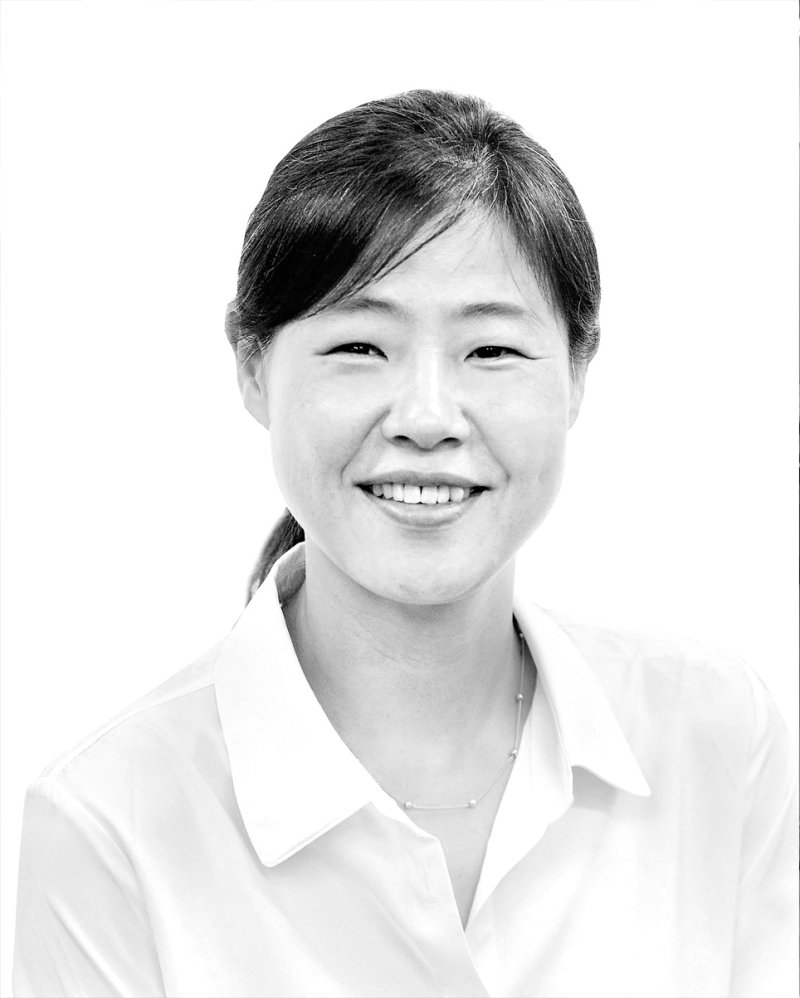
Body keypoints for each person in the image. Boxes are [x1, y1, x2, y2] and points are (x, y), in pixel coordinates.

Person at [13, 90, 796, 998]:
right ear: (253, 366)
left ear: (578, 371)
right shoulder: (108, 822)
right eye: (360, 346)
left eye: (490, 351)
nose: (427, 417)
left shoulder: (716, 739)